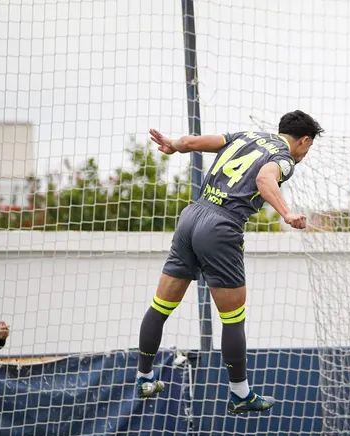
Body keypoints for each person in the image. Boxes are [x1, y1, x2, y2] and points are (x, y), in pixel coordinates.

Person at [136, 110, 323, 414]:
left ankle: (145, 377)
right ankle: (240, 393)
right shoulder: (284, 157)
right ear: (302, 140)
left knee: (160, 306)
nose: (305, 153)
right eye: (308, 147)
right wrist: (286, 213)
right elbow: (265, 178)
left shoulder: (246, 136)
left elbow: (195, 141)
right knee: (233, 319)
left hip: (191, 216)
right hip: (221, 228)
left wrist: (174, 145)